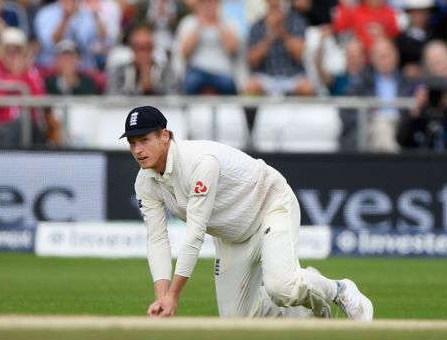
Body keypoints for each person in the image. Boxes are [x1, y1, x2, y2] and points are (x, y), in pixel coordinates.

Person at [123, 105, 373, 320]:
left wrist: (173, 297)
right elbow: (157, 239)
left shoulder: (200, 162)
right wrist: (162, 299)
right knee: (239, 319)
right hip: (232, 233)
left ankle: (339, 290)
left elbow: (195, 233)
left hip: (270, 205)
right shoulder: (144, 181)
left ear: (164, 136)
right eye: (133, 143)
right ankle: (304, 308)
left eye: (144, 140)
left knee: (281, 288)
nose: (138, 150)